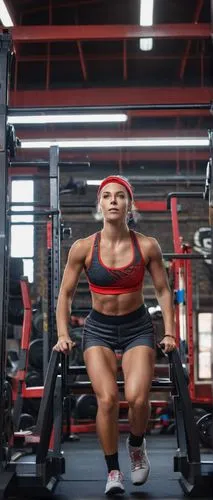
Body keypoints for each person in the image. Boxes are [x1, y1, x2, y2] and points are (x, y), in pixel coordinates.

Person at [54, 175, 176, 495]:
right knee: (107, 399)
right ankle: (113, 471)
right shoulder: (83, 248)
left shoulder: (147, 245)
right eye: (106, 196)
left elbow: (163, 291)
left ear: (128, 205)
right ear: (100, 204)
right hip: (98, 330)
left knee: (136, 398)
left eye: (119, 196)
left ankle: (136, 447)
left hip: (137, 328)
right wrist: (63, 334)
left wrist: (170, 333)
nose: (112, 201)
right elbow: (65, 295)